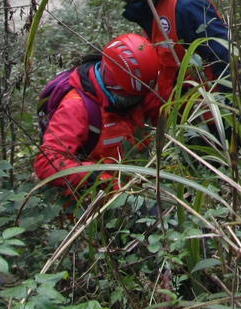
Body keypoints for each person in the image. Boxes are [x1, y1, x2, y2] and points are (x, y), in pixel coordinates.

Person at [83, 0, 231, 117]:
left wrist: (231, 122)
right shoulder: (152, 6)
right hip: (188, 117)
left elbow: (226, 62)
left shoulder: (185, 4)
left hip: (213, 119)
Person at [34, 33, 167, 196]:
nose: (136, 102)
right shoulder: (76, 107)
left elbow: (161, 112)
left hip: (137, 184)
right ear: (114, 85)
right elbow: (47, 161)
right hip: (96, 200)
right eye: (129, 99)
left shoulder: (140, 89)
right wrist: (97, 178)